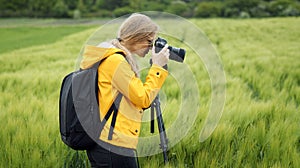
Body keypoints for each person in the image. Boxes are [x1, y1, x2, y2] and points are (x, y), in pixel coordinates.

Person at [80, 13, 170, 168]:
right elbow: (143, 99)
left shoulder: (116, 58)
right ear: (135, 37)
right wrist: (157, 67)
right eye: (149, 41)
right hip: (113, 143)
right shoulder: (115, 61)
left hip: (107, 141)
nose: (151, 47)